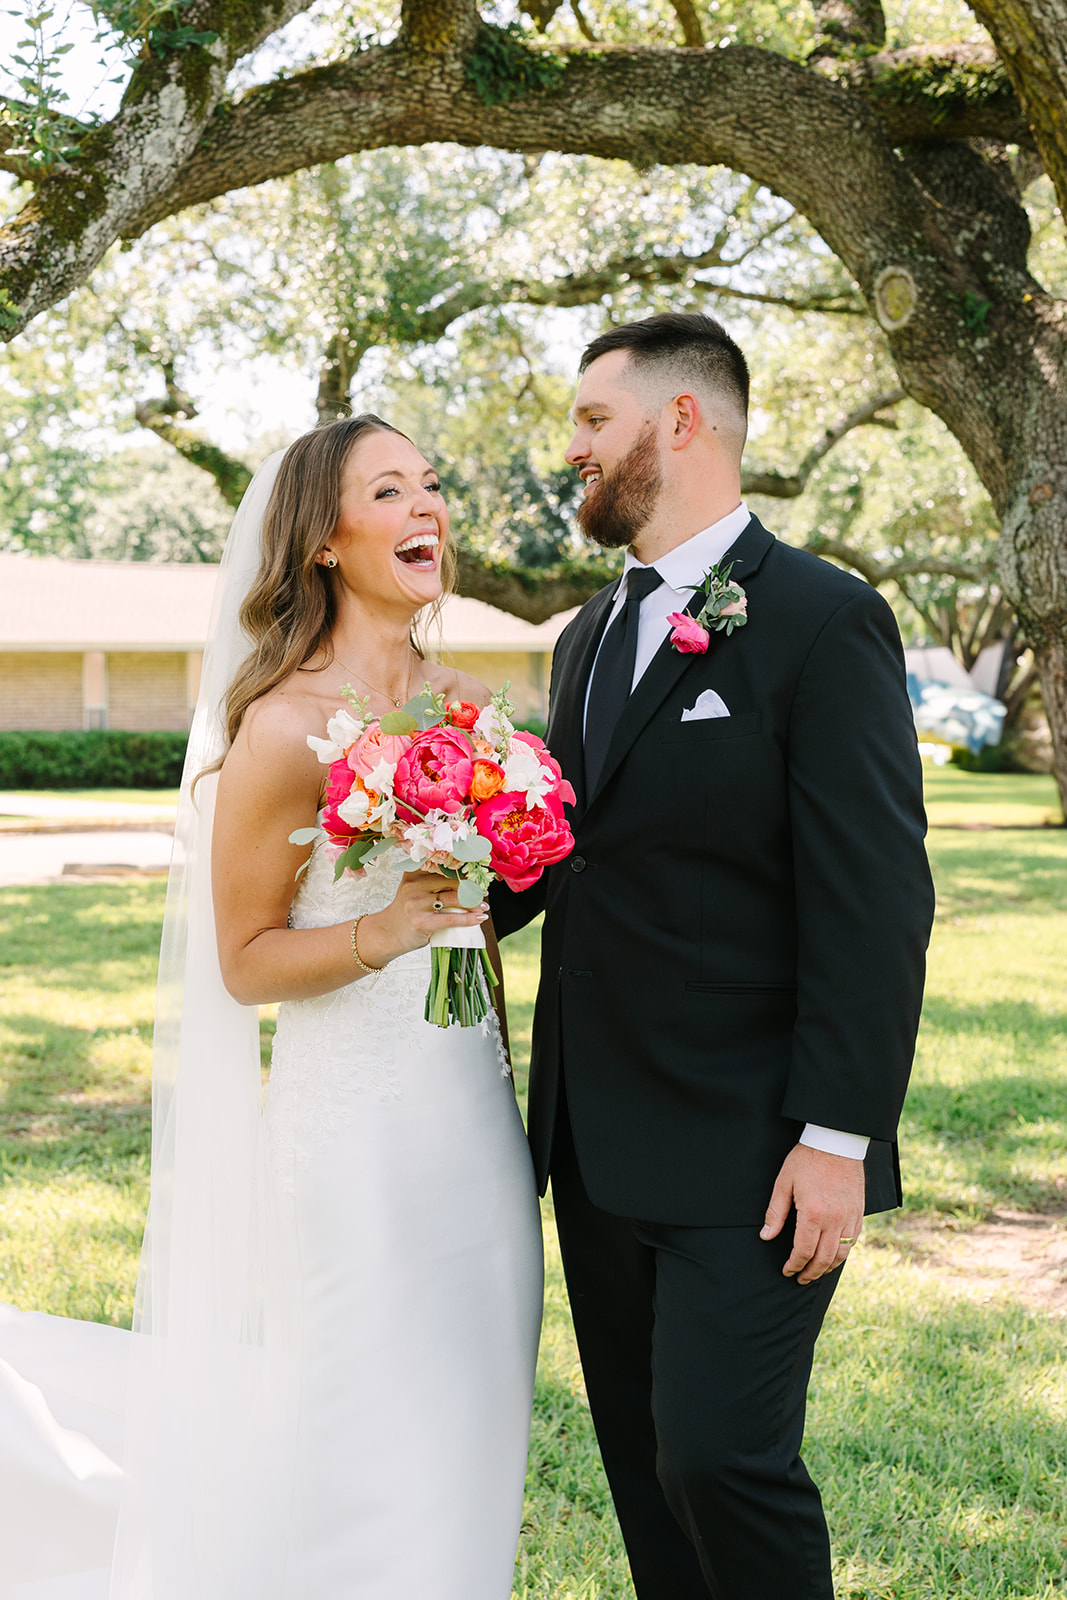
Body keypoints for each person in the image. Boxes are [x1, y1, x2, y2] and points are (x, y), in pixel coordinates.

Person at [0, 415, 543, 1600]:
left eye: (432, 485)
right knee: (352, 1415)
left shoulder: (467, 707)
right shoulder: (284, 726)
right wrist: (378, 929)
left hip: (473, 1124)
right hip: (348, 1133)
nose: (426, 509)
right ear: (322, 543)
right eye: (388, 491)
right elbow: (244, 959)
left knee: (477, 1399)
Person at [491, 312, 935, 1600]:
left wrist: (838, 1136)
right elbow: (562, 851)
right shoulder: (583, 635)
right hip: (593, 1134)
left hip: (752, 1144)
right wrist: (417, 889)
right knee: (638, 1462)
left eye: (590, 419)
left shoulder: (821, 620)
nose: (568, 449)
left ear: (679, 422)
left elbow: (874, 898)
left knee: (718, 1456)